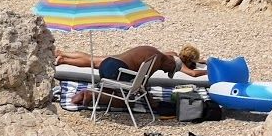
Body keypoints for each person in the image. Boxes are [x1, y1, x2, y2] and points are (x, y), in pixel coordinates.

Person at [54, 44, 206, 77]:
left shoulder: (170, 53)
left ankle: (63, 55)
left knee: (92, 59)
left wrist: (203, 61)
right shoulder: (174, 63)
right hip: (118, 67)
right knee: (92, 62)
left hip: (121, 58)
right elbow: (192, 73)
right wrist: (208, 69)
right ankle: (63, 60)